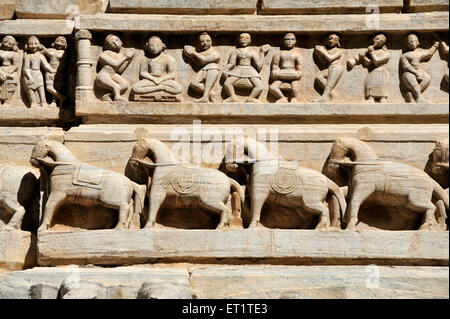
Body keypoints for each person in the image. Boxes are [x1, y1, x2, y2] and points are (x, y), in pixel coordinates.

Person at [131, 36, 182, 101]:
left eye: (157, 45)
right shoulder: (145, 59)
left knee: (178, 88)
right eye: (151, 45)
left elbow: (172, 74)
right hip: (150, 81)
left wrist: (161, 79)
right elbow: (143, 72)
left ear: (163, 45)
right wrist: (153, 79)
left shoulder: (168, 58)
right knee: (135, 88)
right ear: (147, 46)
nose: (154, 47)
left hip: (164, 81)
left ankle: (161, 88)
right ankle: (159, 89)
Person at [223, 33, 270, 103]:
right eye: (242, 38)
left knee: (259, 87)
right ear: (238, 40)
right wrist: (226, 69)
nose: (244, 39)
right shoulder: (236, 51)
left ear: (250, 40)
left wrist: (262, 53)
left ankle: (251, 98)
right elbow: (232, 63)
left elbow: (259, 66)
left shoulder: (252, 52)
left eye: (247, 38)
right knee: (227, 83)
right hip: (238, 69)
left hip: (250, 70)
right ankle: (232, 97)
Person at [348, 34, 391, 103]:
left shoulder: (386, 53)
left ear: (382, 42)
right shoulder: (373, 51)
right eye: (374, 39)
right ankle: (371, 98)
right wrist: (363, 57)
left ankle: (382, 99)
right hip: (373, 71)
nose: (374, 40)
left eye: (376, 39)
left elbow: (376, 61)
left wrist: (371, 52)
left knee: (382, 85)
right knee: (370, 84)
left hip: (382, 71)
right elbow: (369, 63)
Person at [400, 33, 439, 103]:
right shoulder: (405, 55)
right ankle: (419, 98)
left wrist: (435, 45)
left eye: (413, 41)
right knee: (410, 78)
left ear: (417, 42)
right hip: (409, 72)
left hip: (419, 70)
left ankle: (412, 94)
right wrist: (416, 73)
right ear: (406, 44)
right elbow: (406, 67)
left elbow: (429, 53)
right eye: (409, 42)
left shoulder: (419, 53)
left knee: (427, 78)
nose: (411, 43)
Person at [95, 34, 135, 101]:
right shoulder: (104, 54)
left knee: (124, 85)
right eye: (112, 43)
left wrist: (129, 59)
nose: (116, 43)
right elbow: (115, 64)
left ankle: (107, 96)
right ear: (108, 45)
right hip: (104, 75)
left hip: (113, 75)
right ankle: (117, 97)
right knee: (115, 86)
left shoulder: (119, 56)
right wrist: (126, 57)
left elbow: (120, 70)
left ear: (121, 41)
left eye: (117, 40)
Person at [184, 32, 220, 102]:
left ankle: (205, 97)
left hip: (212, 69)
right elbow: (198, 61)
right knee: (193, 83)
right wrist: (189, 52)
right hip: (204, 70)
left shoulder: (215, 53)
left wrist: (193, 53)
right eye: (202, 41)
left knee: (200, 84)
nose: (205, 43)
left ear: (211, 42)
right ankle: (210, 94)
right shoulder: (199, 52)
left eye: (207, 41)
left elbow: (203, 60)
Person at [23, 36, 55, 108]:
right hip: (29, 74)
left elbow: (46, 66)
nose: (33, 46)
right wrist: (30, 77)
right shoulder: (27, 56)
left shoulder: (40, 56)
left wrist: (53, 71)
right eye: (30, 44)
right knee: (30, 89)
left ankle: (43, 102)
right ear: (27, 46)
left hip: (38, 74)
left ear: (39, 45)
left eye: (35, 43)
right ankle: (33, 103)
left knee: (41, 89)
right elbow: (26, 68)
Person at [269, 32, 302, 103]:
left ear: (295, 41)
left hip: (292, 73)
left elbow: (299, 67)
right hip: (282, 73)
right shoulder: (278, 53)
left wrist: (298, 72)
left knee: (295, 88)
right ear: (283, 41)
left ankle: (294, 98)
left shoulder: (297, 54)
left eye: (292, 39)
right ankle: (282, 98)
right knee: (272, 87)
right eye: (287, 39)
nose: (290, 41)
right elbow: (275, 65)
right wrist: (275, 72)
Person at [314, 33, 344, 103]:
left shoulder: (338, 51)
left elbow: (330, 59)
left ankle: (324, 97)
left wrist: (322, 51)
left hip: (336, 68)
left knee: (330, 84)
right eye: (330, 39)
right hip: (330, 67)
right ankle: (333, 94)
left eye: (335, 39)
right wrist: (318, 52)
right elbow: (324, 61)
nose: (332, 41)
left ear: (337, 42)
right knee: (319, 77)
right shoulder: (327, 50)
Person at [42, 36, 67, 106]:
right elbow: (39, 55)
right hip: (49, 70)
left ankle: (55, 101)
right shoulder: (49, 50)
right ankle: (62, 97)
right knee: (49, 87)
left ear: (65, 44)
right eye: (58, 41)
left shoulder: (65, 52)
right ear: (54, 42)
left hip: (60, 72)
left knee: (58, 87)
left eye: (62, 42)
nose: (59, 43)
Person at [0, 35, 19, 106]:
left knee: (11, 85)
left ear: (13, 45)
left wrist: (8, 73)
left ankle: (7, 102)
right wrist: (1, 72)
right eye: (5, 41)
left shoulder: (14, 54)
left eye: (10, 43)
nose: (7, 44)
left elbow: (15, 65)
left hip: (10, 70)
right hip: (1, 69)